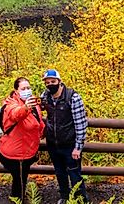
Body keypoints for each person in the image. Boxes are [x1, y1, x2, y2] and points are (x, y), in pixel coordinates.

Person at [40, 69, 88, 203]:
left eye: (53, 81)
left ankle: (80, 200)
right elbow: (39, 108)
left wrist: (78, 147)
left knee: (75, 175)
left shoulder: (72, 97)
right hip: (53, 144)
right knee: (60, 173)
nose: (50, 84)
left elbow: (81, 124)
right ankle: (65, 197)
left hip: (70, 144)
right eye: (47, 82)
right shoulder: (46, 96)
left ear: (59, 82)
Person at [0, 77, 45, 202]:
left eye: (28, 88)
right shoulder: (11, 104)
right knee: (19, 182)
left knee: (22, 179)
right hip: (15, 153)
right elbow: (15, 114)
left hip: (27, 150)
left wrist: (42, 131)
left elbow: (38, 121)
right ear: (16, 91)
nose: (27, 90)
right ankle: (17, 200)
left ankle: (19, 198)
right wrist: (26, 107)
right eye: (23, 88)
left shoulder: (32, 101)